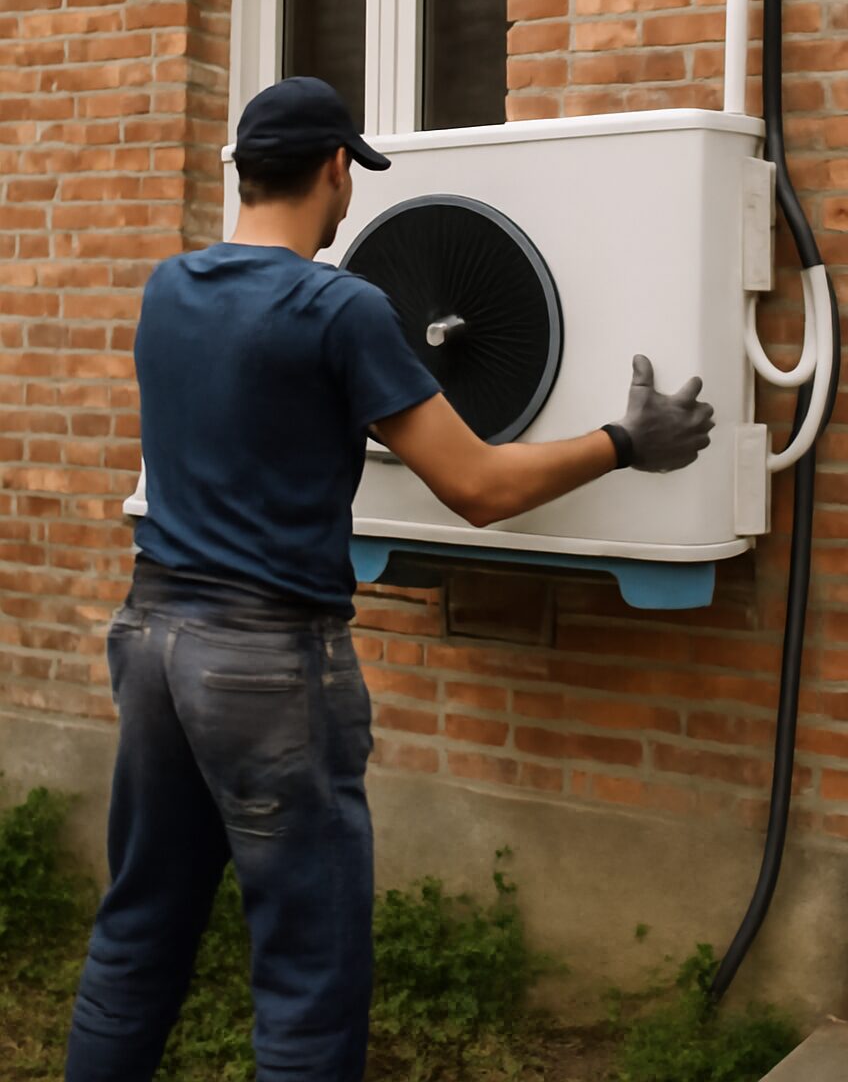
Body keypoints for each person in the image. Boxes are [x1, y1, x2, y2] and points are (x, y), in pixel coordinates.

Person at [65, 75, 715, 1082]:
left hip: (151, 640)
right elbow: (480, 487)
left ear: (241, 172)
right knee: (309, 971)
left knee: (139, 929)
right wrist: (628, 441)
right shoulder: (339, 307)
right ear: (335, 170)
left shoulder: (166, 288)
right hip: (269, 664)